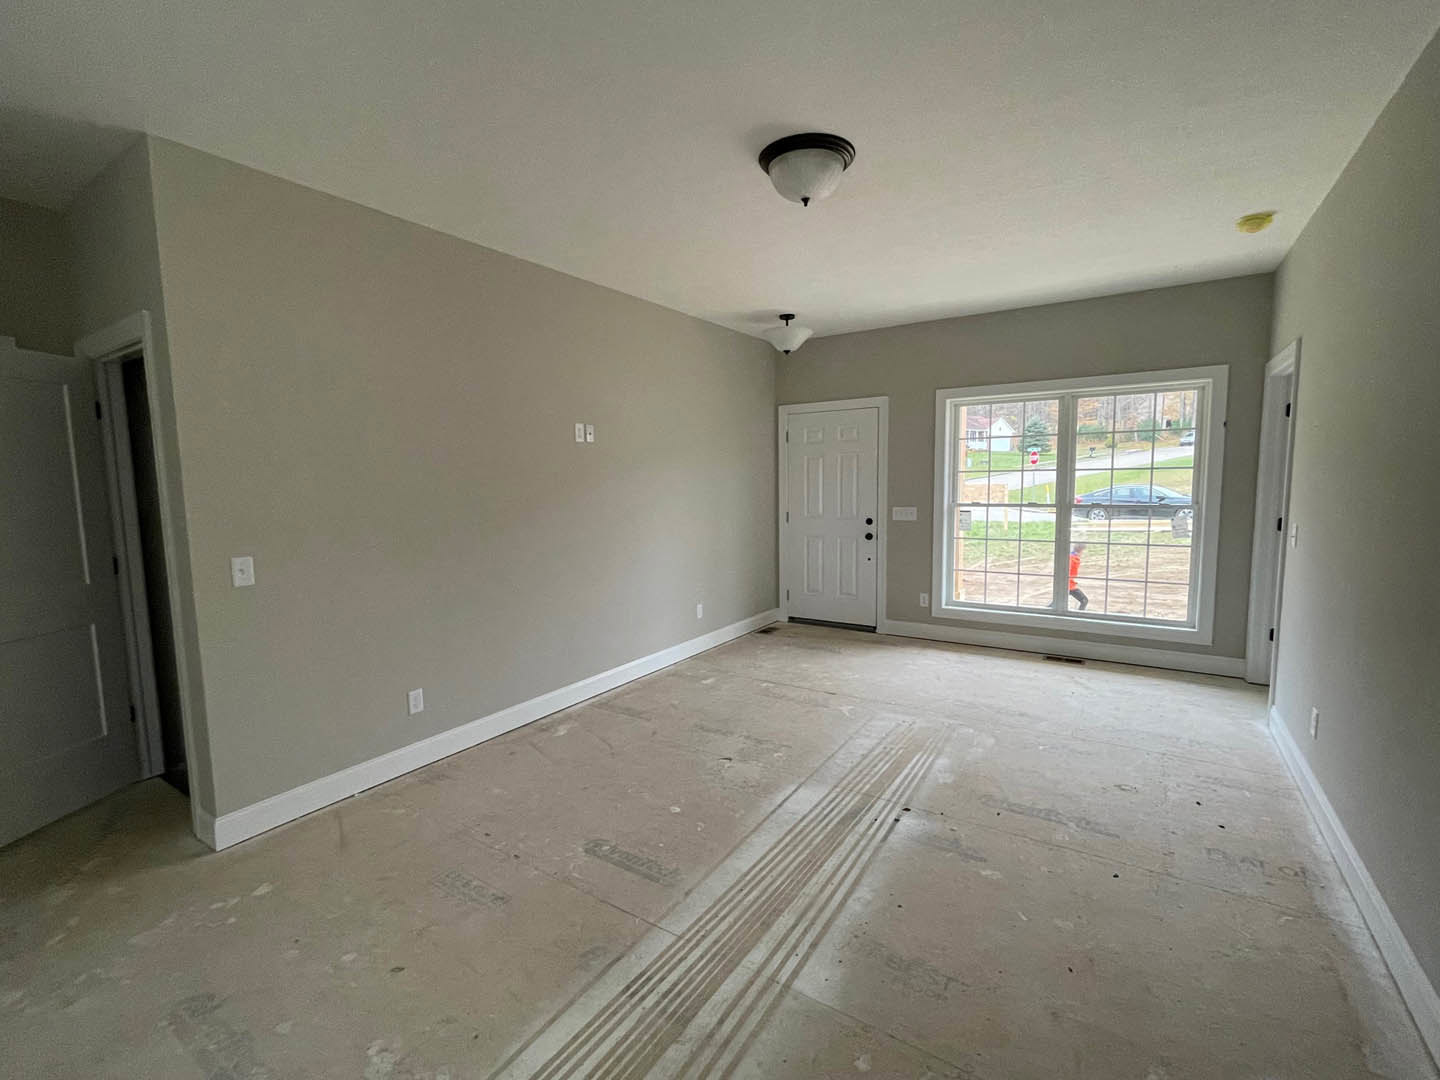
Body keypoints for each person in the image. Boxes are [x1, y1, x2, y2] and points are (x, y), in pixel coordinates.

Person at [1069, 543, 1089, 610]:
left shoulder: (1072, 557)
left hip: (1068, 585)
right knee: (1084, 600)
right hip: (1069, 586)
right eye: (1083, 551)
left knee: (1056, 603)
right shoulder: (1073, 558)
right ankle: (1079, 616)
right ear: (1080, 550)